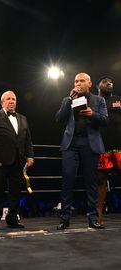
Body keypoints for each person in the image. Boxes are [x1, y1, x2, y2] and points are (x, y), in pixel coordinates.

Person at [56, 72, 107, 230]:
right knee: (68, 180)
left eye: (82, 81)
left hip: (89, 143)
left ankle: (93, 218)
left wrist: (93, 114)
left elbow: (105, 119)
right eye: (76, 81)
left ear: (89, 83)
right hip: (71, 144)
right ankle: (64, 218)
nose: (78, 83)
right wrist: (69, 100)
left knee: (91, 182)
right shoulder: (67, 99)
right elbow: (59, 118)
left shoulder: (99, 100)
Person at [0, 90, 34, 230]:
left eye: (13, 99)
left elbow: (28, 139)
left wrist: (30, 155)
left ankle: (12, 218)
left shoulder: (23, 118)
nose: (11, 101)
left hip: (18, 160)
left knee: (15, 191)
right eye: (8, 99)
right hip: (0, 159)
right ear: (2, 102)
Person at [96, 76, 121, 224]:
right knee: (101, 181)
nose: (109, 83)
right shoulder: (94, 101)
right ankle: (98, 216)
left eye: (111, 82)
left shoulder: (119, 99)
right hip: (101, 147)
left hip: (119, 147)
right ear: (98, 86)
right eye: (105, 82)